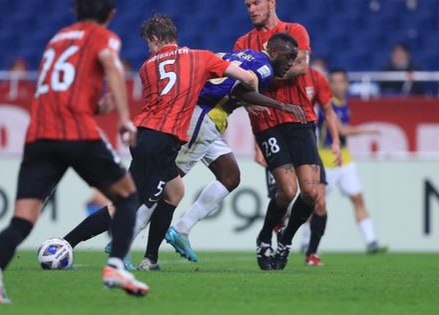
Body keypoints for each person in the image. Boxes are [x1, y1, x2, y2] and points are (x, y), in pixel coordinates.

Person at [61, 12, 290, 271]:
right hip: (175, 132)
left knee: (184, 188)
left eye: (149, 43)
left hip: (152, 131)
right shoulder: (198, 56)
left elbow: (162, 98)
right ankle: (75, 244)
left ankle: (154, 255)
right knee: (138, 198)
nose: (149, 48)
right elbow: (246, 79)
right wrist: (256, 100)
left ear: (156, 39)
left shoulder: (148, 66)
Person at [0, 0, 147, 303]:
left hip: (39, 136)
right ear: (111, 14)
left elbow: (60, 88)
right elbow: (112, 65)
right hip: (77, 133)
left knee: (23, 218)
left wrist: (95, 106)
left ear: (75, 12)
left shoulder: (56, 40)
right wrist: (122, 117)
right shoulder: (103, 36)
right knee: (127, 196)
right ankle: (116, 267)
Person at [140, 33, 307, 264]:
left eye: (294, 58)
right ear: (275, 52)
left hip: (211, 116)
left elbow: (224, 82)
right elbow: (238, 89)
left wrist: (248, 103)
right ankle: (131, 243)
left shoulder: (242, 55)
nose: (291, 63)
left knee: (230, 176)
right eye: (289, 57)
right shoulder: (265, 67)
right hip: (205, 116)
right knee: (167, 183)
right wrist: (281, 106)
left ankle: (182, 229)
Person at [234, 0, 341, 270]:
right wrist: (248, 100)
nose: (251, 9)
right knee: (287, 191)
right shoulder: (242, 43)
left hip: (300, 118)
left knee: (310, 192)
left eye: (256, 3)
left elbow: (302, 66)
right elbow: (239, 86)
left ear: (272, 2)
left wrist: (261, 76)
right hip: (267, 123)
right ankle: (263, 238)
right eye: (248, 4)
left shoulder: (296, 30)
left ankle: (286, 238)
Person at [302, 68, 387, 265]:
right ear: (329, 84)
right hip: (325, 160)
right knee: (315, 203)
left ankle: (371, 241)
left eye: (341, 81)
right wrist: (369, 129)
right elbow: (341, 131)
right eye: (334, 81)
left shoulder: (344, 102)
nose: (337, 85)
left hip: (345, 160)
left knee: (358, 199)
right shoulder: (327, 104)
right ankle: (307, 242)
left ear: (347, 84)